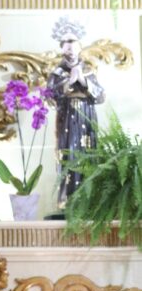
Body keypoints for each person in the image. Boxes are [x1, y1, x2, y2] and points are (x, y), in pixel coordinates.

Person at [47, 17, 105, 207]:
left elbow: (101, 96)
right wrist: (69, 82)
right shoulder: (57, 72)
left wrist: (83, 81)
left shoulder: (88, 70)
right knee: (68, 155)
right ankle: (67, 201)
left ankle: (88, 203)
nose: (70, 47)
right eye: (66, 42)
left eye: (73, 42)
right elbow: (49, 97)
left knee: (88, 155)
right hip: (66, 120)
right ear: (61, 47)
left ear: (80, 46)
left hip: (86, 119)